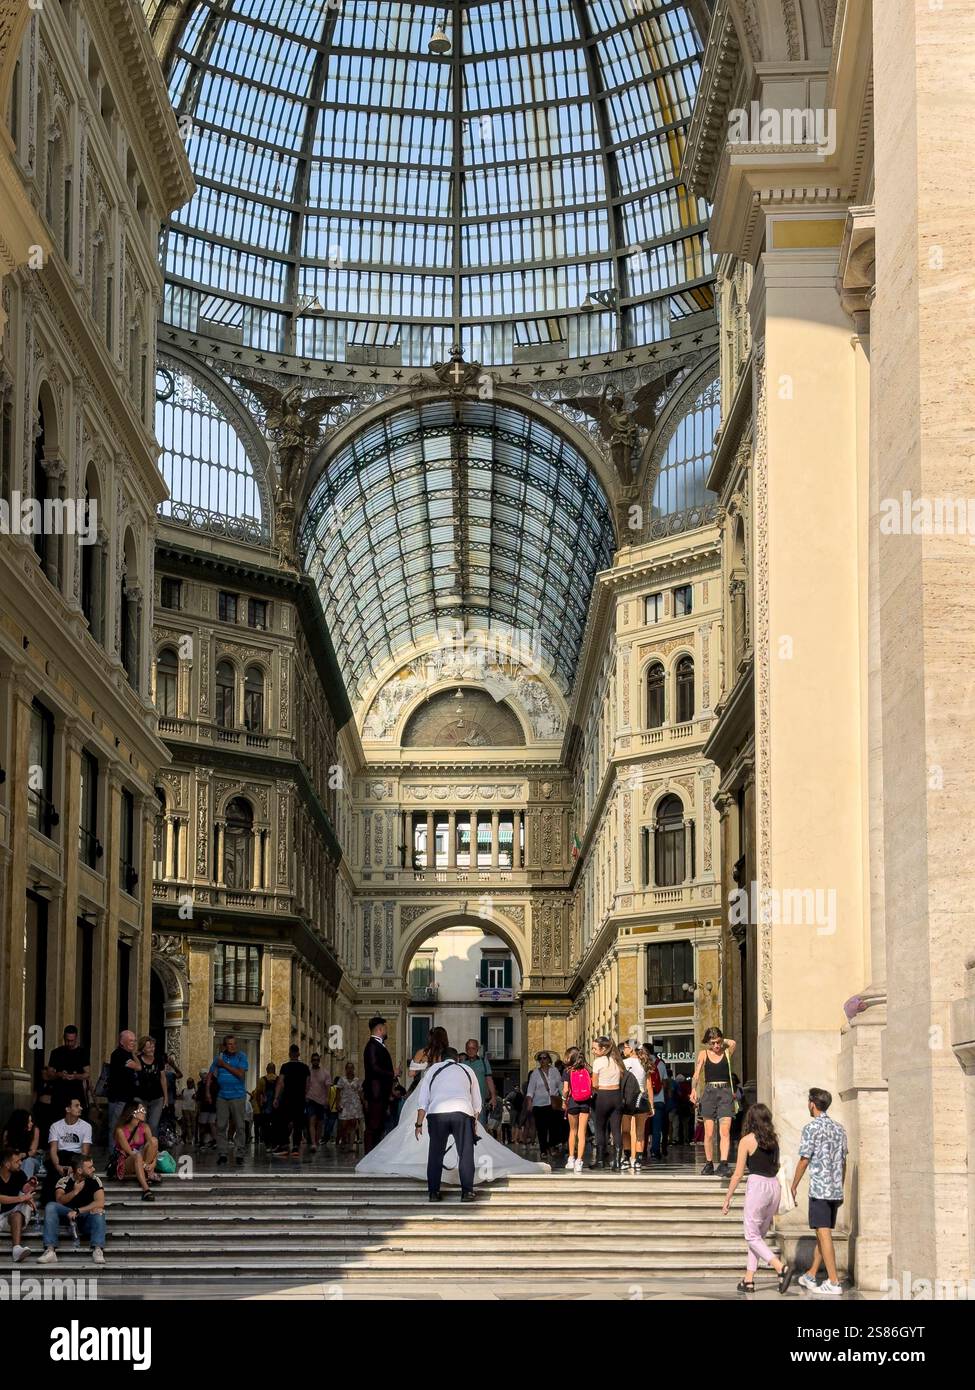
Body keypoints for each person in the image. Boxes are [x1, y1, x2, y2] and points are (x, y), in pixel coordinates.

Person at [357, 1028, 548, 1187]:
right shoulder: (448, 1054)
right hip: (450, 1096)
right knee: (460, 1137)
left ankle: (427, 1170)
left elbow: (412, 1072)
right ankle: (459, 1172)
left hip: (428, 1089)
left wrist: (422, 1067)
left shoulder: (423, 1052)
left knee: (416, 1128)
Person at [722, 1103, 793, 1294]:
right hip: (774, 1187)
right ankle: (749, 1280)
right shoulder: (774, 1140)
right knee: (758, 1237)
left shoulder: (746, 1140)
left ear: (750, 1120)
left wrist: (728, 1197)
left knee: (751, 1235)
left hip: (758, 1186)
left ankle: (780, 1268)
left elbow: (737, 1174)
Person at [791, 1088, 848, 1296]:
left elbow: (804, 1159)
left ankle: (834, 1281)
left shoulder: (811, 1128)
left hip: (820, 1189)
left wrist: (794, 1184)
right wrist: (839, 1187)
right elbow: (844, 1162)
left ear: (812, 1104)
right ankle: (811, 1274)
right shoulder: (839, 1129)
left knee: (823, 1235)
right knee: (822, 1234)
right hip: (834, 1189)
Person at [414, 1048, 482, 1203]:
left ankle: (433, 1193)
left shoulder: (433, 1070)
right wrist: (474, 1123)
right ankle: (466, 1192)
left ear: (441, 1058)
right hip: (462, 1113)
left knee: (435, 1154)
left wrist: (418, 1124)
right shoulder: (467, 1069)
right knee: (465, 1154)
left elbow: (423, 1100)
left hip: (437, 1114)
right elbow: (477, 1102)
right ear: (457, 1058)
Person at [38, 1154, 106, 1267]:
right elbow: (59, 1201)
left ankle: (98, 1249)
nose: (93, 1169)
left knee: (98, 1210)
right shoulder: (64, 1181)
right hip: (67, 1217)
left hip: (85, 1217)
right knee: (50, 1206)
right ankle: (50, 1250)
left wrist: (79, 1210)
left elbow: (100, 1202)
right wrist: (75, 1192)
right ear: (79, 1170)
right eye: (90, 1167)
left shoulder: (95, 1180)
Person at [689, 1027, 737, 1177]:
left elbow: (733, 1042)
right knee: (708, 1133)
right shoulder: (704, 1054)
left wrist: (722, 1040)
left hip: (725, 1093)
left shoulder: (727, 1052)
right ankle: (709, 1163)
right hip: (709, 1093)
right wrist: (693, 1089)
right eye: (712, 1043)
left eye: (718, 1042)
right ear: (707, 1043)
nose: (716, 1046)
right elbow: (696, 1074)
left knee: (725, 1131)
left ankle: (723, 1163)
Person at [208, 1034, 249, 1165]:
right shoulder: (219, 1058)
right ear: (225, 1046)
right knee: (220, 1125)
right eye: (230, 1044)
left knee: (240, 1125)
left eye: (234, 1044)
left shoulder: (241, 1056)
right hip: (222, 1096)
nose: (233, 1046)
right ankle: (222, 1153)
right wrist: (207, 1092)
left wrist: (224, 1065)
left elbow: (240, 1074)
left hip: (238, 1096)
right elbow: (210, 1075)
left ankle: (240, 1153)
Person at [590, 1036, 625, 1170]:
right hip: (616, 1096)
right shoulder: (617, 1061)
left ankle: (600, 1161)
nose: (593, 1051)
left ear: (603, 1049)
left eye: (594, 1048)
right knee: (616, 1130)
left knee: (600, 1128)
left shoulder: (599, 1062)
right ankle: (616, 1162)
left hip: (603, 1096)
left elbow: (595, 1083)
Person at [113, 1102, 159, 1200]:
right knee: (137, 1155)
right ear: (133, 1113)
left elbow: (154, 1149)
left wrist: (153, 1164)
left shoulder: (145, 1127)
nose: (145, 1112)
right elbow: (130, 1152)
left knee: (154, 1140)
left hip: (140, 1161)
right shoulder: (120, 1131)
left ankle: (144, 1172)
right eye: (142, 1110)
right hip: (126, 1161)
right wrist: (146, 1166)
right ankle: (146, 1190)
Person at [363, 1017, 395, 1154]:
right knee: (373, 1125)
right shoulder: (371, 1046)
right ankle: (368, 1154)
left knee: (379, 1125)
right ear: (380, 1029)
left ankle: (374, 1153)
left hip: (381, 1092)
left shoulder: (378, 1045)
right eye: (385, 1028)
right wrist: (392, 1073)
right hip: (376, 1092)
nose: (386, 1031)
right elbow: (374, 1067)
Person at [105, 1030, 142, 1149]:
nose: (134, 1043)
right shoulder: (118, 1054)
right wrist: (134, 1055)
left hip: (127, 1098)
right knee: (115, 1126)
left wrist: (133, 1054)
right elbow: (138, 1067)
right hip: (118, 1098)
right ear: (122, 1042)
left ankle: (124, 1151)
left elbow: (138, 1067)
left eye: (134, 1040)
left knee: (127, 1126)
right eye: (131, 1040)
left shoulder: (129, 1054)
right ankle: (113, 1154)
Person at [45, 1026, 91, 1120]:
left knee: (77, 1121)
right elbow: (49, 1074)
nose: (69, 1043)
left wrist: (75, 1076)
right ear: (64, 1038)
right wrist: (59, 1074)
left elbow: (87, 1074)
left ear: (76, 1038)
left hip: (76, 1093)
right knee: (57, 1119)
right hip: (59, 1094)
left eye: (72, 1040)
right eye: (67, 1040)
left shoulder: (82, 1053)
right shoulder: (56, 1053)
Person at [0, 1147, 37, 1262]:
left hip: (11, 1218)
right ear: (7, 1164)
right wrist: (21, 1198)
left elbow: (24, 1188)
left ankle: (16, 1250)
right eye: (16, 1162)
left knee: (18, 1213)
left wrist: (30, 1184)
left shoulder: (19, 1173)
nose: (20, 1163)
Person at [274, 1044, 310, 1156]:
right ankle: (295, 1147)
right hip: (299, 1099)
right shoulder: (305, 1067)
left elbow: (281, 1082)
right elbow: (308, 1084)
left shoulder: (285, 1067)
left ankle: (284, 1145)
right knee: (298, 1123)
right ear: (298, 1054)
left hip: (287, 1098)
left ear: (289, 1054)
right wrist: (305, 1095)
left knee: (284, 1121)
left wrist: (276, 1097)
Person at [620, 1041, 650, 1172]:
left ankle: (626, 1158)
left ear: (631, 1049)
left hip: (628, 1098)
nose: (623, 1049)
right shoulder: (644, 1062)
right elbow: (649, 1086)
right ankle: (637, 1159)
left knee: (625, 1131)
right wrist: (652, 1105)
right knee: (640, 1133)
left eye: (625, 1047)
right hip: (642, 1098)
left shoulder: (624, 1063)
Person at [523, 1052, 561, 1157]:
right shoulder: (535, 1073)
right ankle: (543, 1150)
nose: (543, 1060)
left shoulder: (555, 1071)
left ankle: (552, 1146)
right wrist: (529, 1101)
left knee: (554, 1127)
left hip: (553, 1103)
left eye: (545, 1058)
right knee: (541, 1128)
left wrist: (564, 1097)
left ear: (549, 1059)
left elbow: (560, 1084)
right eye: (540, 1058)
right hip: (539, 1104)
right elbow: (530, 1089)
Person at [562, 1049, 593, 1173]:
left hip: (573, 1102)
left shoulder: (568, 1071)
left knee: (572, 1130)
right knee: (582, 1132)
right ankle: (579, 1161)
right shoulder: (587, 1070)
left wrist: (564, 1100)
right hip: (585, 1103)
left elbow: (565, 1089)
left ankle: (571, 1159)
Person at [137, 1035, 168, 1136]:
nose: (152, 1049)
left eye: (153, 1046)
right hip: (141, 1098)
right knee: (141, 1123)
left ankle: (152, 1148)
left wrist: (166, 1097)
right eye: (149, 1047)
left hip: (157, 1098)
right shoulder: (138, 1060)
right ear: (143, 1049)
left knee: (153, 1125)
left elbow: (163, 1078)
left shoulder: (158, 1060)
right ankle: (141, 1148)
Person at [462, 1039, 497, 1127]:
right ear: (466, 1049)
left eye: (473, 1048)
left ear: (477, 1049)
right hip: (465, 1101)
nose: (471, 1051)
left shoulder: (483, 1062)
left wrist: (493, 1096)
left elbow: (489, 1079)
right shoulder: (462, 1063)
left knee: (480, 1127)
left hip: (480, 1102)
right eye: (468, 1048)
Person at [646, 1041, 670, 1161]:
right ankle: (655, 1151)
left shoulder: (643, 1063)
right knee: (657, 1129)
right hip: (659, 1100)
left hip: (645, 1100)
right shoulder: (660, 1064)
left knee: (644, 1128)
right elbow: (665, 1082)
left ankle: (642, 1150)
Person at [2, 1109, 40, 1179]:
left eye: (31, 1121)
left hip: (30, 1159)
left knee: (27, 1162)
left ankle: (25, 1186)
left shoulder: (35, 1130)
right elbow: (6, 1151)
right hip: (14, 1159)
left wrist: (22, 1155)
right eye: (29, 1121)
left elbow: (33, 1151)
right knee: (8, 1162)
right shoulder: (8, 1132)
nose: (31, 1123)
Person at [336, 1063, 364, 1149]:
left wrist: (363, 1102)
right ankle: (344, 1140)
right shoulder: (342, 1079)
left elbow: (360, 1092)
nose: (350, 1070)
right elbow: (338, 1093)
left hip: (355, 1104)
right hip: (344, 1104)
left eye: (351, 1068)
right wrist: (337, 1103)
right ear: (345, 1069)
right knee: (343, 1124)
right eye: (348, 1068)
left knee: (353, 1124)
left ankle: (351, 1145)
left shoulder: (357, 1080)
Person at [306, 1053, 329, 1151]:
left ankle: (317, 1139)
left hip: (321, 1100)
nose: (315, 1061)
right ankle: (313, 1143)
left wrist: (327, 1099)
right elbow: (306, 1084)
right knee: (311, 1121)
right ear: (311, 1061)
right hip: (311, 1099)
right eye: (314, 1060)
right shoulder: (308, 1072)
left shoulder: (325, 1073)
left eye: (317, 1060)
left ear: (319, 1061)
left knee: (320, 1123)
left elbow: (328, 1086)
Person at [253, 1064, 277, 1147]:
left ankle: (267, 1143)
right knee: (275, 1125)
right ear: (274, 1069)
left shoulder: (262, 1080)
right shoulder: (278, 1079)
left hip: (265, 1107)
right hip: (275, 1107)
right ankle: (274, 1142)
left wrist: (260, 1106)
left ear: (267, 1069)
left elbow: (257, 1094)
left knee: (265, 1126)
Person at [177, 1077, 196, 1146]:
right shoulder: (184, 1090)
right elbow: (181, 1097)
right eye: (188, 1082)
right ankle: (189, 1138)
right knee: (187, 1124)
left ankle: (193, 1137)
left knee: (192, 1124)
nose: (189, 1084)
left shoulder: (194, 1090)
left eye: (190, 1083)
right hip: (185, 1108)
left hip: (192, 1109)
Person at [323, 1074, 341, 1145]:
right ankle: (339, 1138)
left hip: (331, 1108)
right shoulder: (340, 1089)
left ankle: (326, 1137)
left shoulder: (331, 1088)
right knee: (339, 1125)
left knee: (329, 1124)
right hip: (339, 1108)